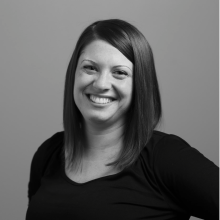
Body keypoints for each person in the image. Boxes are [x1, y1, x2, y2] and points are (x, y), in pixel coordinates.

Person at [26, 19, 218, 220]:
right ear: (74, 73)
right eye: (90, 68)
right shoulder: (48, 154)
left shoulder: (166, 158)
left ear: (140, 86)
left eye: (119, 73)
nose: (101, 84)